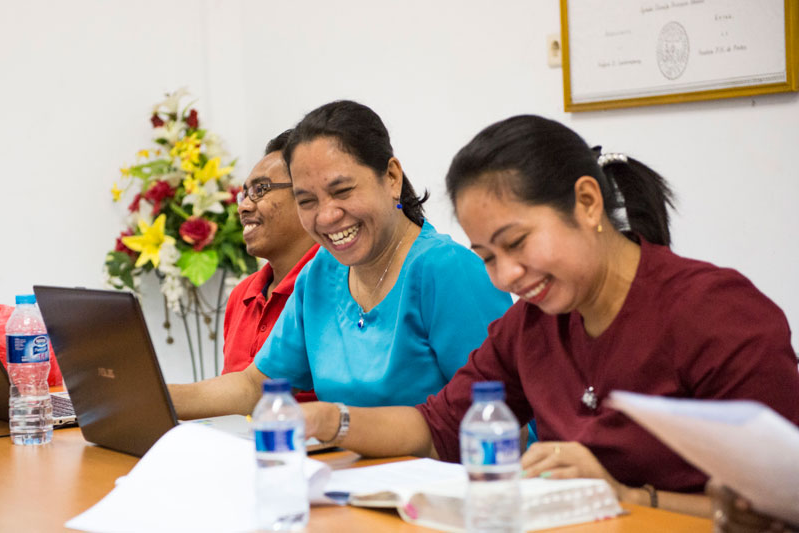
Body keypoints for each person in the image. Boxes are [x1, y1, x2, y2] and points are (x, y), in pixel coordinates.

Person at [299, 114, 799, 517]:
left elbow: (781, 507)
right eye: (488, 257)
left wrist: (623, 496)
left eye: (517, 243)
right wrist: (330, 421)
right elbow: (437, 426)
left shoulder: (713, 312)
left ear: (587, 202)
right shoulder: (533, 326)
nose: (507, 276)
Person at [169, 101, 511, 419]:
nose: (327, 216)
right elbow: (253, 385)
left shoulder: (448, 270)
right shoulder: (321, 272)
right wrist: (147, 398)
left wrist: (337, 425)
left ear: (391, 178)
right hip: (350, 473)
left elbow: (502, 419)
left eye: (343, 191)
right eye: (307, 201)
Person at [221, 130, 319, 375]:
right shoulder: (241, 295)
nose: (243, 207)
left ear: (306, 196)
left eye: (260, 190)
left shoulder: (335, 283)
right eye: (244, 195)